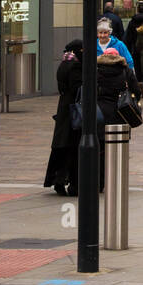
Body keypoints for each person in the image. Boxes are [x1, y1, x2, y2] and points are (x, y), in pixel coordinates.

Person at [96, 47, 142, 190]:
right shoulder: (125, 71)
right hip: (121, 114)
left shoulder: (96, 71)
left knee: (101, 148)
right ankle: (116, 179)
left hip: (100, 114)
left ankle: (100, 180)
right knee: (119, 148)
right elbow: (136, 91)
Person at [43, 40, 83, 196]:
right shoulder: (75, 66)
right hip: (74, 111)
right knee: (72, 148)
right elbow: (77, 88)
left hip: (64, 110)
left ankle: (58, 180)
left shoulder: (64, 63)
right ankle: (71, 183)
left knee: (61, 148)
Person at [123, 1, 143, 66]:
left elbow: (128, 38)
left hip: (136, 50)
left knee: (137, 68)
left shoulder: (132, 22)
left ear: (138, 9)